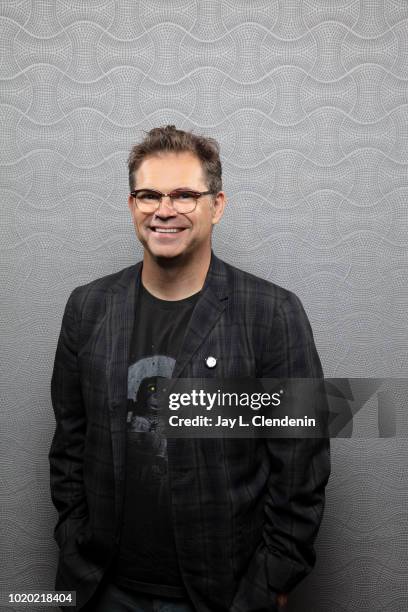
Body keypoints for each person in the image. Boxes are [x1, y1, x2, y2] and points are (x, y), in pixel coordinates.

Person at [49, 125, 330, 612]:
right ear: (132, 204)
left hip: (223, 594)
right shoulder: (88, 308)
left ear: (216, 205)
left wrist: (272, 582)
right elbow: (71, 444)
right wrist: (75, 542)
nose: (164, 209)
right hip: (101, 588)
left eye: (184, 195)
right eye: (149, 195)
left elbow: (300, 470)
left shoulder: (273, 314)